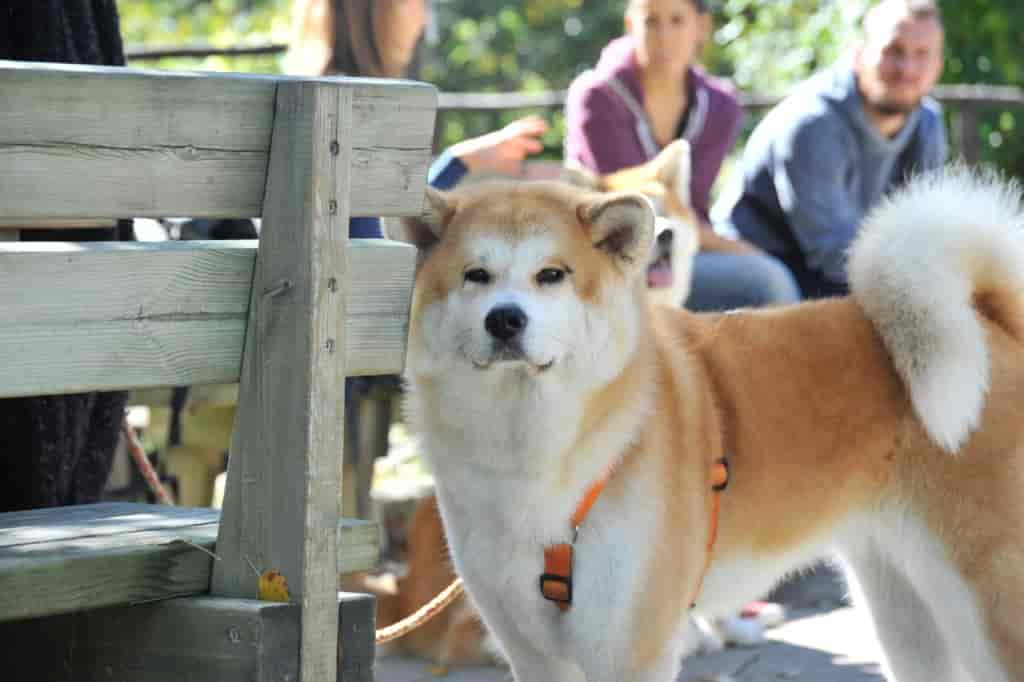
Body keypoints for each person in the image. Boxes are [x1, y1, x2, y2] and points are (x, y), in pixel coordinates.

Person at [565, 0, 800, 312]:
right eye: (651, 21)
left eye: (677, 20)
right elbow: (620, 207)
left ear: (701, 27)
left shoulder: (721, 106)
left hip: (679, 252)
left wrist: (744, 252)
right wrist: (740, 250)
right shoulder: (595, 96)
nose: (663, 36)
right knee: (768, 279)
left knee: (772, 279)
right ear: (630, 25)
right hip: (605, 257)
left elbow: (689, 206)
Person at [715, 0, 947, 299]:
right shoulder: (812, 123)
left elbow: (924, 229)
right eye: (893, 51)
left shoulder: (927, 123)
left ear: (937, 66)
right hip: (760, 266)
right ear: (859, 56)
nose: (907, 69)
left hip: (839, 268)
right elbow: (832, 251)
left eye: (922, 55)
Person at [287, 0, 550, 240]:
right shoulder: (354, 107)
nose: (422, 19)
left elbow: (387, 210)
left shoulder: (305, 98)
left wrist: (459, 161)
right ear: (377, 9)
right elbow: (370, 241)